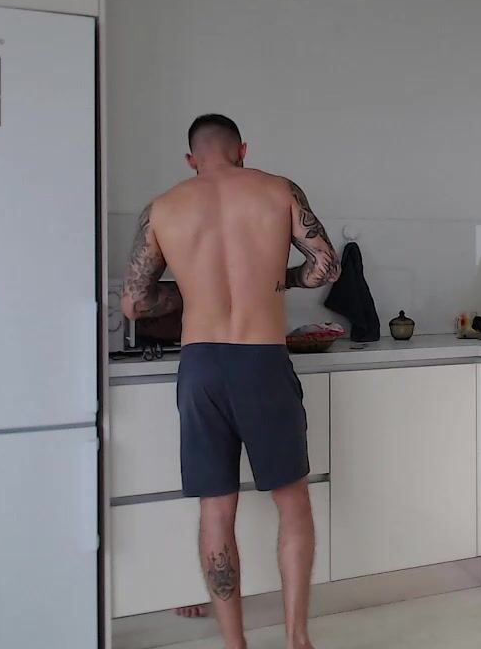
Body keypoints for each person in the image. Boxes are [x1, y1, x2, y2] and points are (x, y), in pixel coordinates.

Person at [121, 114, 340, 649]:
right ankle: (297, 638)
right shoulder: (278, 190)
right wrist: (281, 279)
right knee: (292, 501)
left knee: (216, 508)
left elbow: (134, 303)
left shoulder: (163, 208)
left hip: (200, 366)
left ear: (191, 159)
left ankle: (234, 644)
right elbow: (325, 267)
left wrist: (191, 292)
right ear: (242, 149)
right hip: (262, 361)